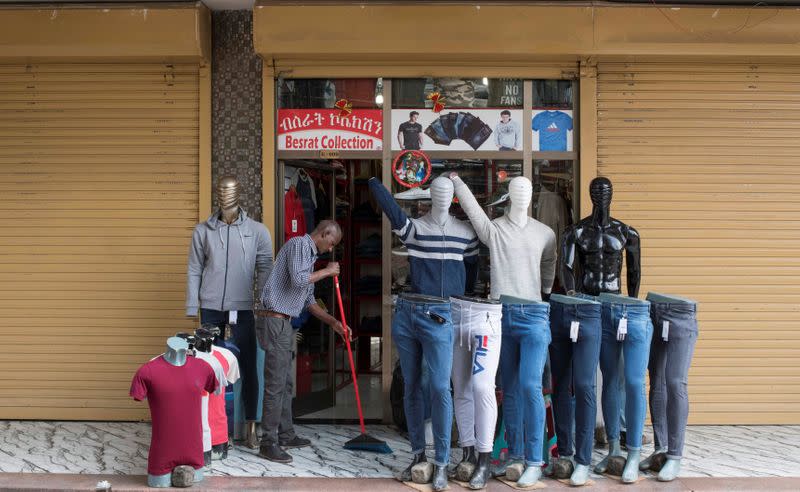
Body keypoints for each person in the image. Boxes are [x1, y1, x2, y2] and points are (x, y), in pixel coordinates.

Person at [256, 220, 348, 464]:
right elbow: (298, 280)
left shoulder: (308, 259)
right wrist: (328, 271)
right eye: (331, 243)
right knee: (275, 384)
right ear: (325, 233)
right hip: (274, 320)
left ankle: (285, 435)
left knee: (285, 384)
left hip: (285, 322)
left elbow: (309, 301)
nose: (330, 249)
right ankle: (268, 442)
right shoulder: (298, 245)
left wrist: (333, 323)